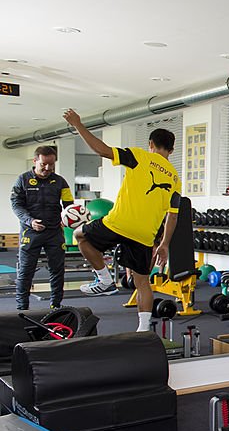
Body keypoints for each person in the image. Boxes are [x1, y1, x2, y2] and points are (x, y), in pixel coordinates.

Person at [62, 109, 181, 332]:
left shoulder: (140, 156)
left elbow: (102, 150)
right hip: (145, 235)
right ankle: (144, 329)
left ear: (150, 144)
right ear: (172, 150)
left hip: (119, 223)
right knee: (142, 282)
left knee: (80, 235)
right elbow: (172, 216)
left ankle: (104, 280)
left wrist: (78, 124)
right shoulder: (175, 178)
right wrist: (164, 244)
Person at [10, 146, 73, 310]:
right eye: (44, 164)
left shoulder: (60, 181)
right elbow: (16, 205)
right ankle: (22, 308)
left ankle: (56, 305)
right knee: (25, 271)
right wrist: (30, 221)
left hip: (54, 232)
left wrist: (69, 218)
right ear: (35, 160)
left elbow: (69, 206)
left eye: (51, 165)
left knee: (57, 270)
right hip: (30, 231)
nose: (47, 168)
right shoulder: (22, 180)